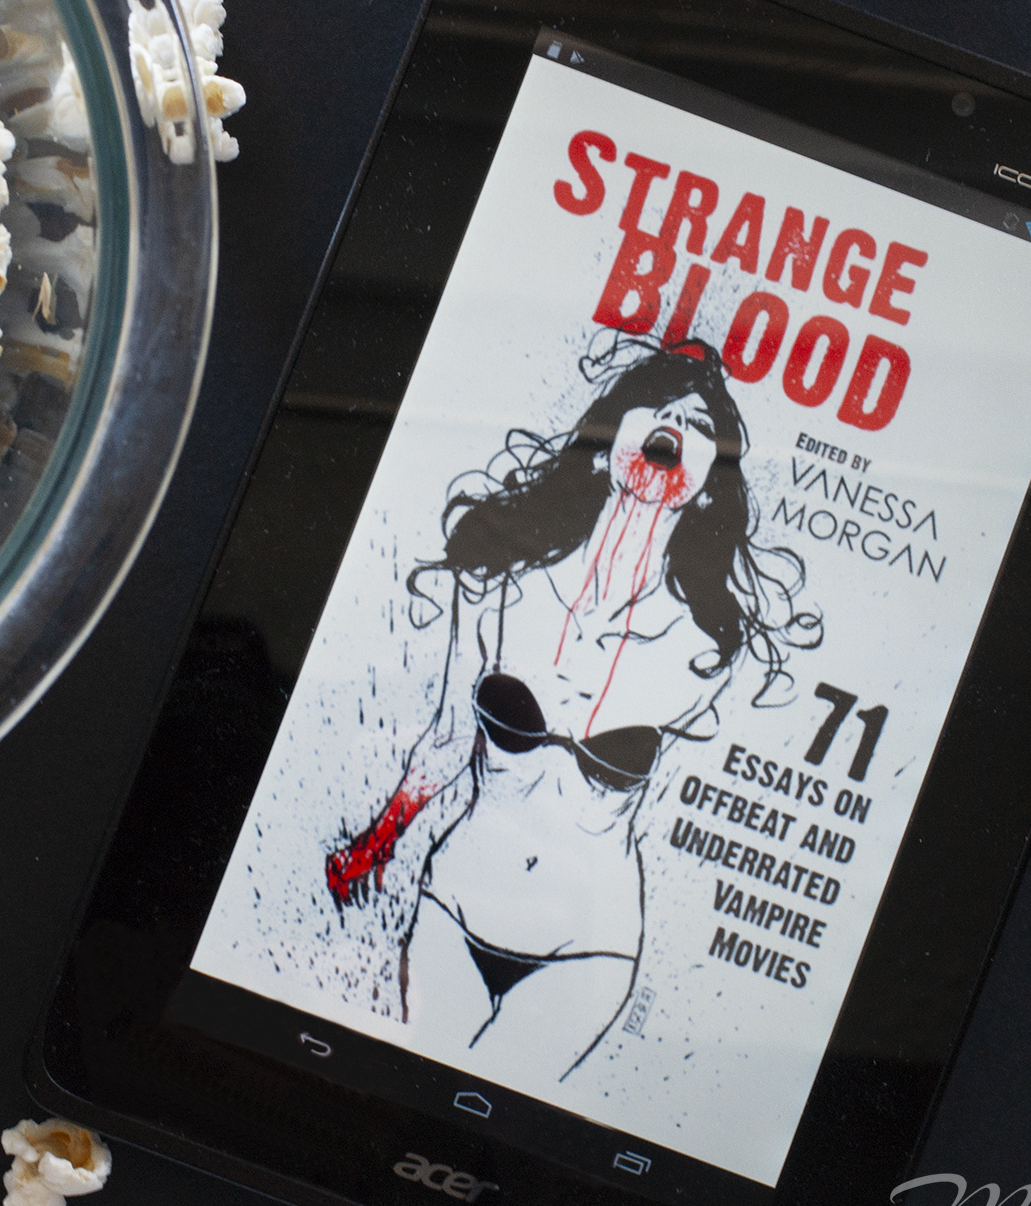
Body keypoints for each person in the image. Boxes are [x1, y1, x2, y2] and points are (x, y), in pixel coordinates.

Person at [324, 337, 816, 1081]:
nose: (676, 424)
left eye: (698, 423)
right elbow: (449, 735)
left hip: (586, 950)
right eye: (657, 408)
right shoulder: (502, 581)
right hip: (453, 904)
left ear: (707, 481)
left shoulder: (702, 651)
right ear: (608, 437)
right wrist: (380, 838)